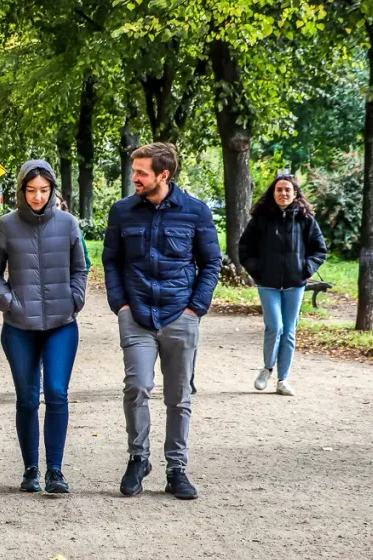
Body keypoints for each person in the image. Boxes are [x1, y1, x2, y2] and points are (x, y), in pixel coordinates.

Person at [102, 142, 221, 500]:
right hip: (136, 315)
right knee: (137, 386)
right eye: (134, 171)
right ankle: (138, 458)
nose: (134, 177)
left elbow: (211, 263)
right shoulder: (122, 212)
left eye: (141, 172)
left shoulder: (195, 212)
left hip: (180, 315)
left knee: (178, 396)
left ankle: (176, 468)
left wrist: (195, 308)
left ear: (163, 175)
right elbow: (111, 261)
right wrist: (120, 305)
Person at [0, 160, 87, 494]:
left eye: (43, 190)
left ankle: (55, 470)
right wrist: (8, 302)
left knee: (57, 392)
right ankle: (31, 469)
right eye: (31, 191)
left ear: (53, 190)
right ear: (21, 191)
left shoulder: (69, 224)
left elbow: (80, 269)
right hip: (19, 325)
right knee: (27, 398)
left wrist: (75, 299)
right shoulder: (6, 226)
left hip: (61, 323)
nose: (38, 197)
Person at [239, 173, 327, 397]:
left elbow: (319, 250)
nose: (283, 193)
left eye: (288, 190)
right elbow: (245, 249)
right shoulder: (261, 218)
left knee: (289, 332)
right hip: (267, 283)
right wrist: (257, 269)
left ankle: (283, 379)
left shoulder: (305, 219)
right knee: (274, 327)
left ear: (295, 193)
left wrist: (304, 269)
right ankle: (267, 368)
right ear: (273, 193)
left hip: (294, 284)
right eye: (279, 189)